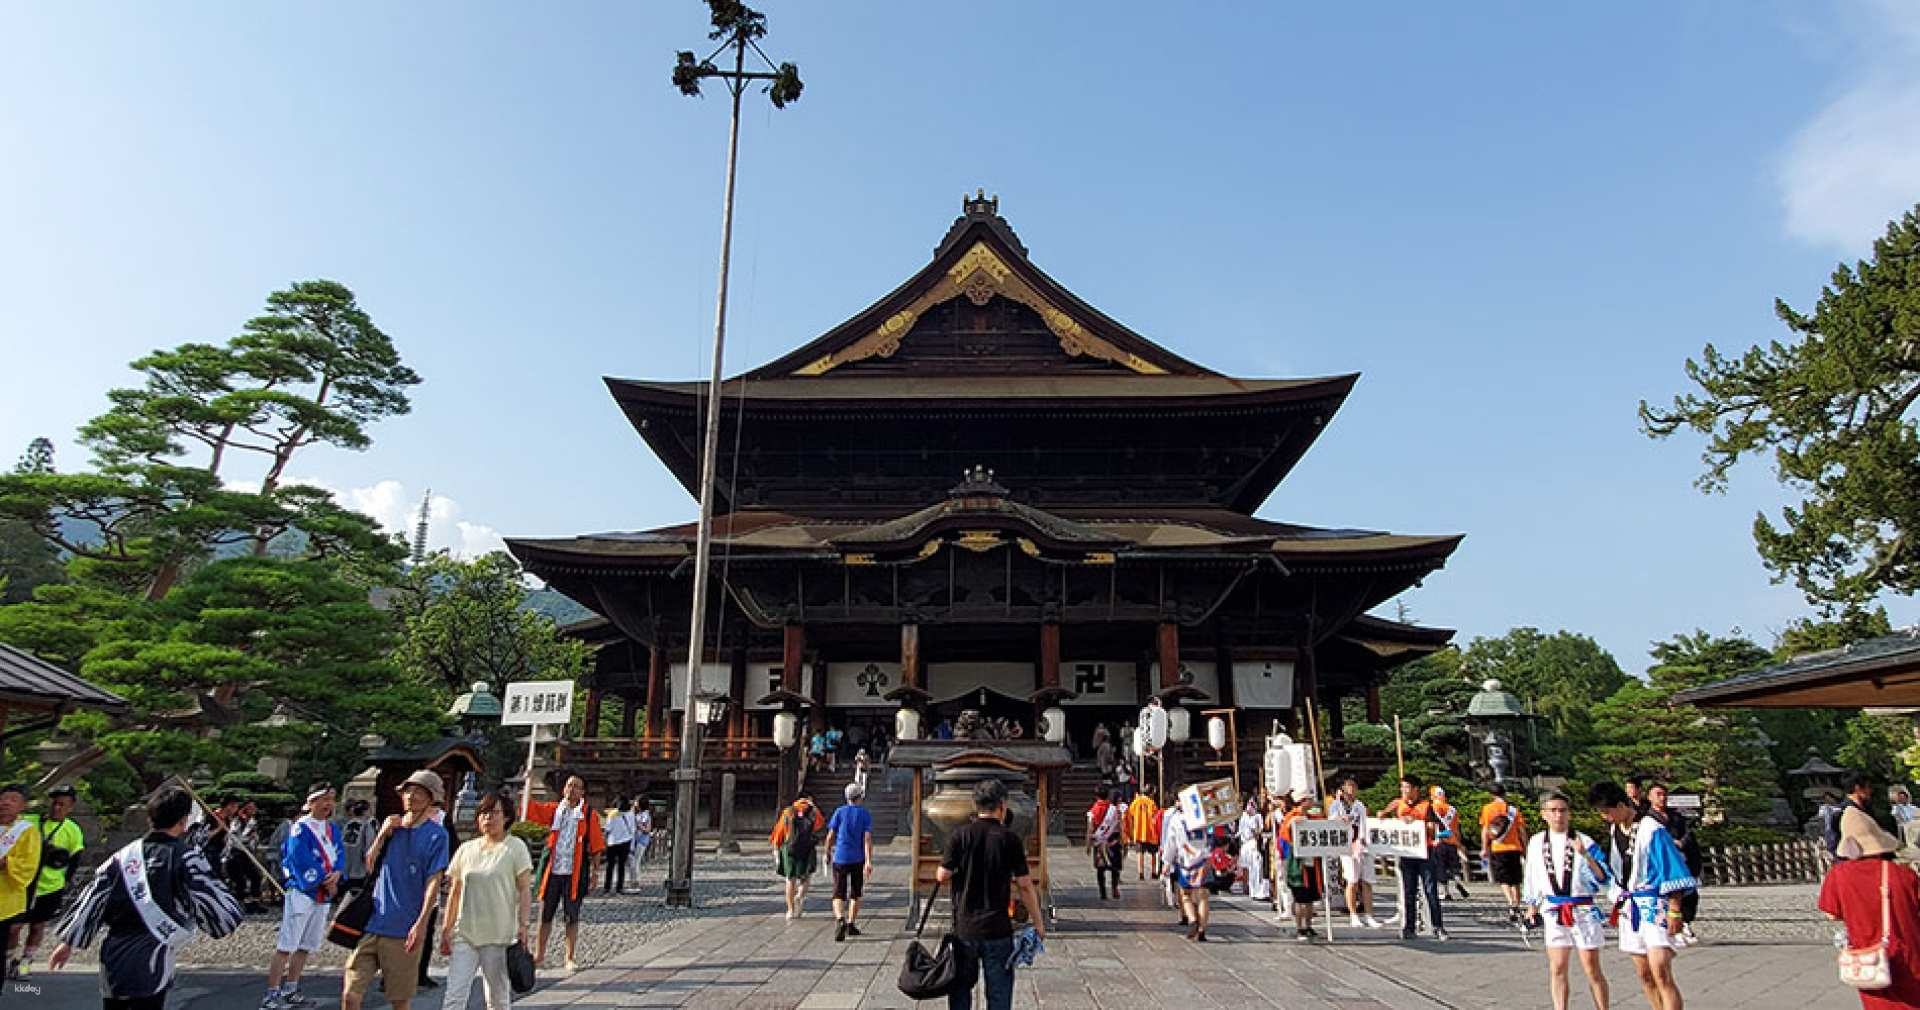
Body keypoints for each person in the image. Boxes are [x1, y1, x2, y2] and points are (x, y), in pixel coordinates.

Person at [50, 786, 243, 1009]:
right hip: (154, 951)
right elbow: (219, 910)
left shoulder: (122, 857)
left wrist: (68, 943)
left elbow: (93, 896)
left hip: (115, 952)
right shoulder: (185, 857)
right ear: (183, 821)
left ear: (149, 818)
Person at [343, 770, 451, 1010]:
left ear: (431, 797)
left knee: (399, 1000)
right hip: (373, 922)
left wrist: (422, 923)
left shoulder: (437, 835)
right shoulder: (393, 828)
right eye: (408, 791)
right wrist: (381, 836)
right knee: (351, 994)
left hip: (404, 928)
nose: (411, 796)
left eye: (419, 792)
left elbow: (434, 880)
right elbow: (368, 863)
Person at [936, 777, 1045, 1010]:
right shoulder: (1010, 839)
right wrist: (1038, 922)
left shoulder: (960, 836)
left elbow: (942, 875)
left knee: (960, 992)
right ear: (1002, 806)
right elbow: (1025, 885)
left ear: (976, 805)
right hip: (998, 928)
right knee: (998, 995)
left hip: (965, 927)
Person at [1591, 780, 1694, 1010]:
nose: (1604, 817)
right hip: (1630, 906)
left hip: (1654, 904)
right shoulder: (1615, 829)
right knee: (1644, 973)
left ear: (1620, 805)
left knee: (1661, 971)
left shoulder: (1651, 829)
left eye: (1606, 812)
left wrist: (1675, 910)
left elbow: (1671, 869)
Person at [439, 791, 534, 1010]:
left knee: (497, 999)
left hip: (499, 935)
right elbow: (455, 891)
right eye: (483, 813)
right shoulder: (466, 849)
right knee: (454, 996)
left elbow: (524, 890)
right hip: (466, 933)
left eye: (494, 813)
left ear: (507, 817)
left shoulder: (515, 847)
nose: (487, 818)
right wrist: (446, 927)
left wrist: (524, 925)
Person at [1820, 806, 1920, 1010]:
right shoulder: (1902, 874)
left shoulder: (1838, 875)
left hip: (1868, 958)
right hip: (1909, 954)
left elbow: (1831, 914)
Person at [1522, 791, 1612, 1010]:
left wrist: (1586, 856)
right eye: (1552, 811)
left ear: (1569, 813)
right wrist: (1531, 905)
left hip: (1581, 908)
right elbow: (1531, 875)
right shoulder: (1536, 842)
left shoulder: (1584, 840)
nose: (1558, 815)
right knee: (1557, 966)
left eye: (1562, 810)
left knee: (1591, 967)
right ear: (1544, 814)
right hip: (1553, 908)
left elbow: (1603, 877)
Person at [262, 784, 342, 1009]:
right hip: (303, 891)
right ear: (312, 802)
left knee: (306, 944)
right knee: (287, 944)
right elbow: (299, 859)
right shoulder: (300, 828)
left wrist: (336, 875)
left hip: (323, 894)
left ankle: (291, 988)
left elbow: (339, 854)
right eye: (324, 799)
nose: (328, 804)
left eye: (331, 799)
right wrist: (323, 880)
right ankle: (271, 993)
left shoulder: (332, 828)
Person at [524, 775, 603, 972]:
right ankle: (539, 955)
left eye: (577, 787)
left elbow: (595, 845)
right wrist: (528, 783)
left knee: (572, 915)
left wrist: (595, 872)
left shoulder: (588, 814)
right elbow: (529, 810)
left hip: (575, 871)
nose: (572, 790)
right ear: (564, 790)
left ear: (582, 792)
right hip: (553, 869)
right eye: (570, 786)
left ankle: (569, 956)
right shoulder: (554, 810)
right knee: (545, 914)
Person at [14, 784, 83, 977]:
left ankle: (25, 965)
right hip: (24, 884)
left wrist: (63, 884)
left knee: (37, 927)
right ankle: (7, 959)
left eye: (62, 804)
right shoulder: (30, 821)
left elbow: (74, 861)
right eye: (54, 803)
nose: (56, 808)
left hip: (51, 886)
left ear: (71, 806)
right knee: (14, 927)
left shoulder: (73, 830)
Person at [1382, 776, 1449, 941]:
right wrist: (1386, 816)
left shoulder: (1427, 806)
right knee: (1408, 892)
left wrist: (1424, 825)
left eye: (1407, 787)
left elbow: (1438, 829)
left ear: (1415, 789)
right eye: (1402, 787)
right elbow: (1382, 815)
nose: (1404, 791)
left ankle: (1438, 926)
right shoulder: (1398, 804)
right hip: (1406, 854)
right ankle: (1408, 928)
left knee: (1430, 891)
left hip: (1425, 853)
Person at [1647, 784, 1703, 943]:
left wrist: (1680, 843)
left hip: (1682, 859)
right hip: (1661, 864)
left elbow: (1689, 834)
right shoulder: (1648, 820)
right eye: (1658, 794)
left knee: (1689, 894)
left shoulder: (1676, 817)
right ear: (1649, 797)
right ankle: (1669, 927)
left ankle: (1685, 923)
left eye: (1664, 794)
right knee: (1666, 896)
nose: (1662, 797)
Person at [1327, 778, 1381, 928]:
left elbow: (1365, 823)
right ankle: (1353, 915)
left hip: (1362, 844)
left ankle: (1369, 914)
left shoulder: (1359, 805)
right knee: (1352, 881)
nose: (1351, 791)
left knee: (1367, 881)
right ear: (1343, 790)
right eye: (1348, 788)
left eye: (1353, 788)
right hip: (1347, 846)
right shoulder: (1337, 805)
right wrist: (1339, 818)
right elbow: (1330, 821)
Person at [823, 782, 874, 941]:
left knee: (838, 892)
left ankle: (840, 920)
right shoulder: (865, 814)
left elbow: (831, 835)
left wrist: (827, 852)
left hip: (840, 857)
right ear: (860, 797)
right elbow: (867, 839)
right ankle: (851, 923)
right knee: (855, 892)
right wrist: (868, 861)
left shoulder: (839, 812)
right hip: (857, 858)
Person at [1158, 798, 1213, 941]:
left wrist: (1166, 862)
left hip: (1186, 861)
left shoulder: (1176, 820)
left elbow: (1171, 842)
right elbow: (1212, 834)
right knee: (1203, 897)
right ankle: (1202, 929)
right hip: (1203, 859)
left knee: (1186, 895)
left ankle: (1193, 919)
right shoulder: (1205, 816)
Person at [770, 793, 825, 920]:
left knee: (790, 879)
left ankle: (790, 910)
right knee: (805, 877)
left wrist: (776, 848)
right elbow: (819, 824)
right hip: (807, 848)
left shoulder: (788, 811)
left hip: (790, 849)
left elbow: (779, 831)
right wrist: (814, 808)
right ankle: (800, 895)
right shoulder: (812, 811)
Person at [1276, 795, 1324, 940]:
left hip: (1312, 863)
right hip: (1298, 864)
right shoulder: (1292, 815)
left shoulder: (1312, 817)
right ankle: (1299, 928)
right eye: (1308, 799)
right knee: (1300, 898)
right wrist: (1292, 822)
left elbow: (1326, 824)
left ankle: (1308, 926)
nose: (1311, 802)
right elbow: (1284, 833)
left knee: (1310, 899)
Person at [1481, 782, 1528, 923]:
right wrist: (1525, 847)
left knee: (1503, 879)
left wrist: (1484, 847)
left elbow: (1485, 830)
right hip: (1514, 847)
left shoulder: (1488, 809)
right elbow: (1522, 831)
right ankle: (1517, 904)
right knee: (1516, 880)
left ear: (1492, 795)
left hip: (1498, 847)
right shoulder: (1514, 810)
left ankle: (1510, 902)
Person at [1429, 786, 1469, 900]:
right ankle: (1457, 880)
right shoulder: (1452, 809)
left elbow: (1434, 825)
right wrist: (1459, 843)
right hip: (1452, 841)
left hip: (1439, 840)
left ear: (1433, 796)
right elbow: (1456, 829)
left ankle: (1445, 892)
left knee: (1440, 867)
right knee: (1454, 866)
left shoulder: (1433, 808)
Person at [1828, 773, 1879, 859]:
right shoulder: (1841, 811)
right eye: (1868, 787)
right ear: (1857, 788)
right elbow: (1833, 841)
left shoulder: (1868, 809)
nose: (1870, 790)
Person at [1087, 788, 1124, 901]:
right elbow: (1120, 825)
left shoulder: (1093, 811)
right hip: (1113, 840)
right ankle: (1114, 888)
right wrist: (1121, 839)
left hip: (1100, 842)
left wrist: (1088, 845)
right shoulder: (1114, 810)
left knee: (1100, 868)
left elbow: (1090, 829)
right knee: (1115, 867)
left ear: (1096, 796)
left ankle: (1103, 892)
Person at [339, 800, 377, 896]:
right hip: (359, 869)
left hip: (345, 866)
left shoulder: (347, 824)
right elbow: (369, 847)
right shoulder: (366, 825)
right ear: (365, 811)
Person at [1237, 795, 1270, 902]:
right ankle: (1251, 890)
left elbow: (1260, 830)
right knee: (1249, 867)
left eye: (1252, 804)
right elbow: (1240, 830)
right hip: (1245, 844)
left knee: (1257, 868)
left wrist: (1255, 831)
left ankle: (1258, 891)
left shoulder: (1258, 816)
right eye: (1249, 804)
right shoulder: (1243, 816)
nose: (1250, 806)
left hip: (1254, 843)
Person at [1123, 787, 1161, 881]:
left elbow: (1129, 815)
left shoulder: (1135, 802)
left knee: (1140, 852)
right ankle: (1153, 872)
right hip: (1150, 832)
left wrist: (1131, 830)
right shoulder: (1151, 803)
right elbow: (1155, 817)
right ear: (1150, 793)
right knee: (1153, 853)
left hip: (1139, 831)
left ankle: (1141, 872)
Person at [602, 798, 634, 895]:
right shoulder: (630, 814)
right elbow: (632, 829)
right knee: (621, 866)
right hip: (625, 841)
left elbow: (608, 828)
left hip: (612, 842)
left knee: (610, 866)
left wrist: (604, 840)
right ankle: (619, 888)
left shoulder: (612, 814)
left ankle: (607, 888)